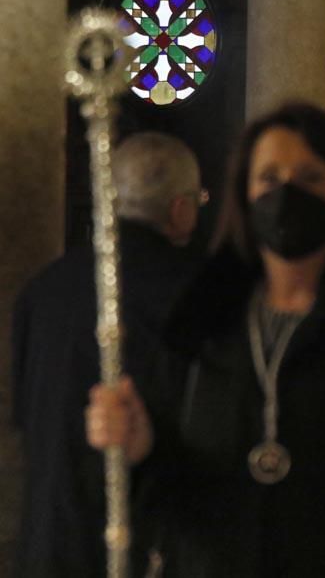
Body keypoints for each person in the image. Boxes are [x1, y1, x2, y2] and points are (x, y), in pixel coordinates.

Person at [85, 104, 325, 577]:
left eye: (309, 178)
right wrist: (142, 446)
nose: (286, 193)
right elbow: (175, 496)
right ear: (244, 197)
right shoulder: (205, 316)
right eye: (268, 178)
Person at [11, 132, 204, 578]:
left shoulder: (42, 290)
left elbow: (25, 420)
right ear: (181, 208)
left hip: (50, 543)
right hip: (154, 547)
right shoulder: (203, 294)